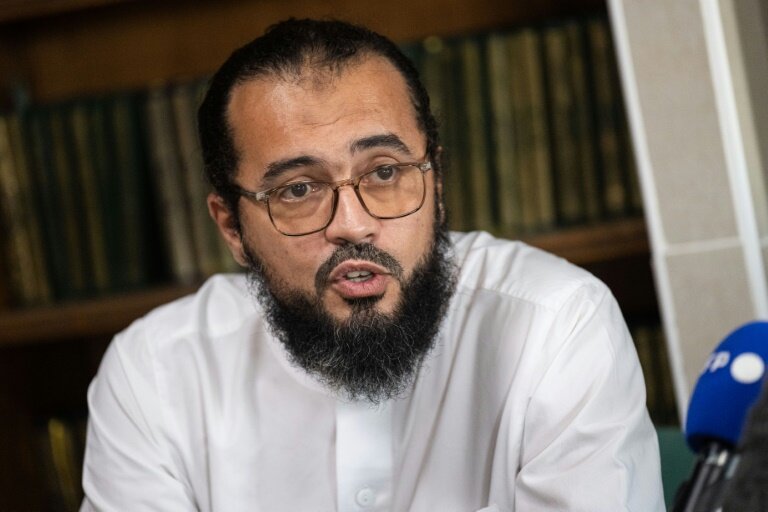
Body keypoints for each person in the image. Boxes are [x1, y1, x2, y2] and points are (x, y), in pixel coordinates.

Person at [80, 18, 664, 511]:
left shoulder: (556, 326)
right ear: (232, 226)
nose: (353, 224)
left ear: (434, 179)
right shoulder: (153, 373)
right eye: (298, 188)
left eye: (384, 172)